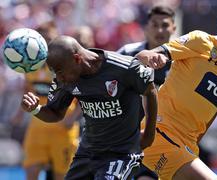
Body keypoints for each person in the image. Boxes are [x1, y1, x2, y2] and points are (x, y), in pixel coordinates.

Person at [135, 5, 217, 180]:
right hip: (161, 132)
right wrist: (151, 55)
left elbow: (213, 109)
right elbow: (157, 52)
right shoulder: (200, 41)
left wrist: (196, 142)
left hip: (187, 145)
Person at [21, 35, 158, 180]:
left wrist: (149, 134)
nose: (58, 78)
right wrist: (35, 109)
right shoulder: (64, 77)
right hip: (87, 152)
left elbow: (150, 90)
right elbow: (55, 113)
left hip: (120, 153)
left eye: (59, 72)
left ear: (77, 59)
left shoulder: (123, 67)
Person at [117, 6, 176, 179]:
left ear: (173, 28)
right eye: (154, 24)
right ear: (145, 27)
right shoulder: (127, 53)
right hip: (127, 137)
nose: (159, 30)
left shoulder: (183, 62)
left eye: (164, 25)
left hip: (165, 139)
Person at [22, 21, 81, 180]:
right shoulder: (30, 65)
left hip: (62, 128)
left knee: (61, 176)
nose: (47, 43)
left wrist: (73, 117)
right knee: (31, 172)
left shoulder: (67, 64)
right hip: (37, 127)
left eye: (50, 39)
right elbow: (27, 89)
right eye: (43, 39)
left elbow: (84, 94)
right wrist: (19, 115)